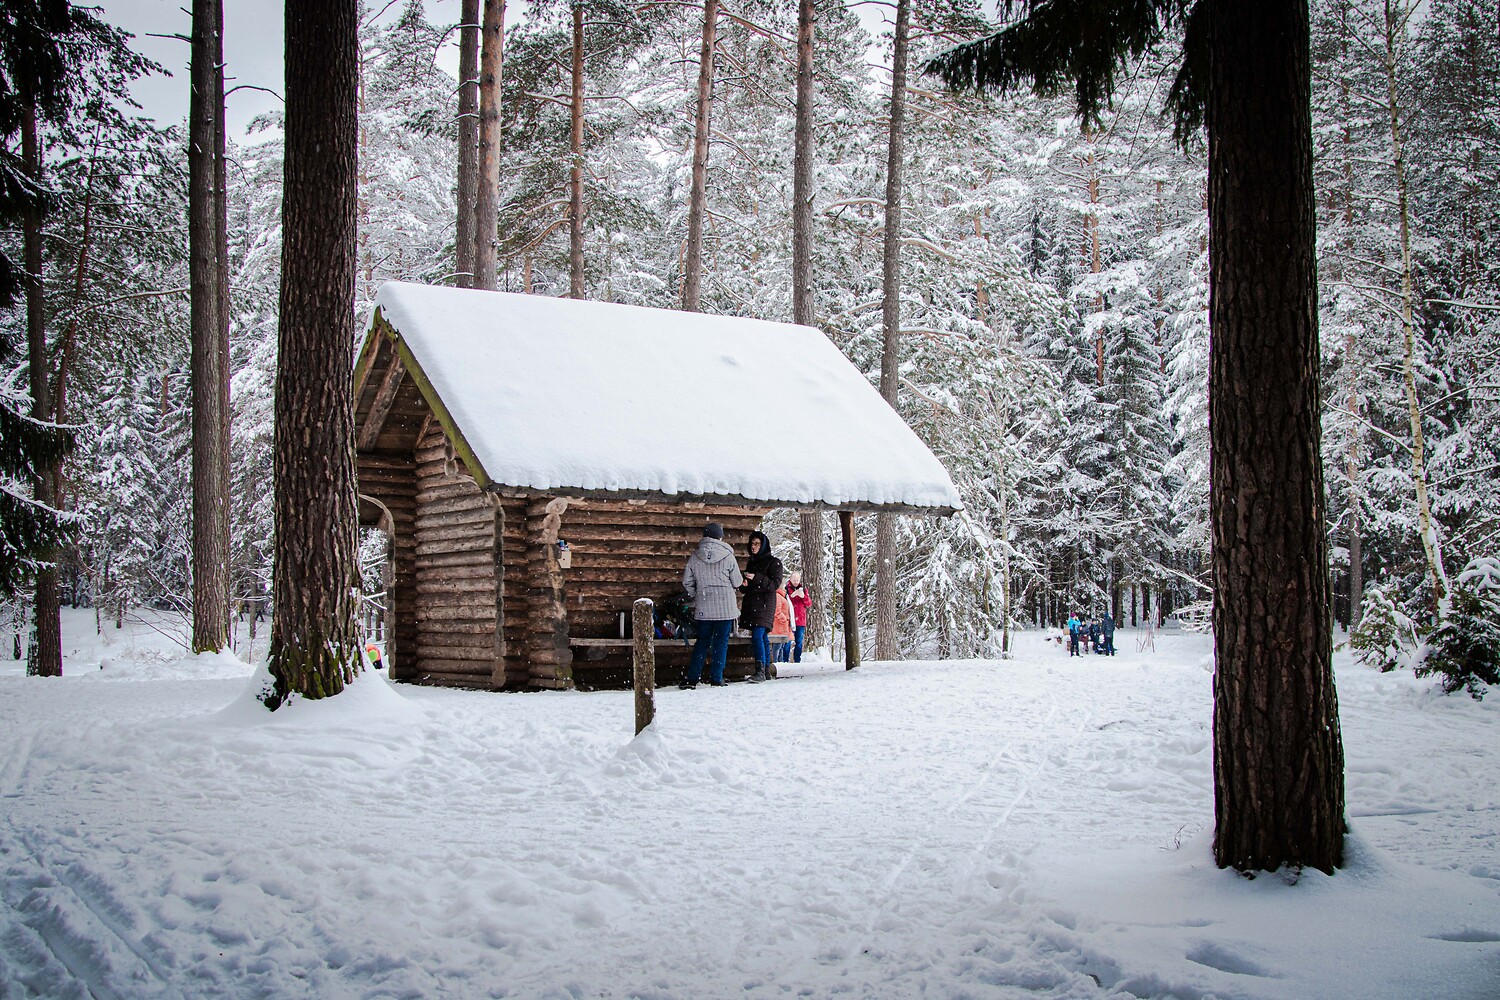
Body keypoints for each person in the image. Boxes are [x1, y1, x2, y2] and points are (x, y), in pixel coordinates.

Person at [680, 522, 743, 688]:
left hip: (704, 605)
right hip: (726, 607)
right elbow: (737, 581)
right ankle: (716, 677)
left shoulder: (695, 556)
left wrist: (697, 594)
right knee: (721, 642)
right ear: (720, 537)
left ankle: (693, 677)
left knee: (702, 642)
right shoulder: (728, 555)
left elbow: (687, 581)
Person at [738, 530, 784, 683]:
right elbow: (749, 587)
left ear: (763, 545)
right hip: (753, 604)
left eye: (757, 544)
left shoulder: (774, 562)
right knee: (762, 637)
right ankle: (765, 670)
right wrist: (744, 585)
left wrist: (756, 578)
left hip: (765, 604)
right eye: (752, 544)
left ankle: (760, 671)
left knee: (758, 636)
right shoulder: (752, 562)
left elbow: (774, 585)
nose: (753, 547)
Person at [785, 573, 811, 662]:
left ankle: (797, 660)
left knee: (799, 642)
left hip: (800, 620)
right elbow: (784, 602)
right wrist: (792, 596)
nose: (796, 582)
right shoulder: (786, 589)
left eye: (797, 580)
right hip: (789, 620)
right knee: (787, 642)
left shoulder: (803, 589)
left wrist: (803, 597)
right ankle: (785, 661)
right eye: (794, 579)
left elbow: (808, 604)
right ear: (790, 579)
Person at [772, 585, 795, 666]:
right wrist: (784, 619)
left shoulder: (783, 596)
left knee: (781, 645)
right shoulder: (778, 596)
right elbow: (777, 610)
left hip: (783, 624)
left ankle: (780, 662)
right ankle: (775, 662)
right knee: (777, 645)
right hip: (779, 624)